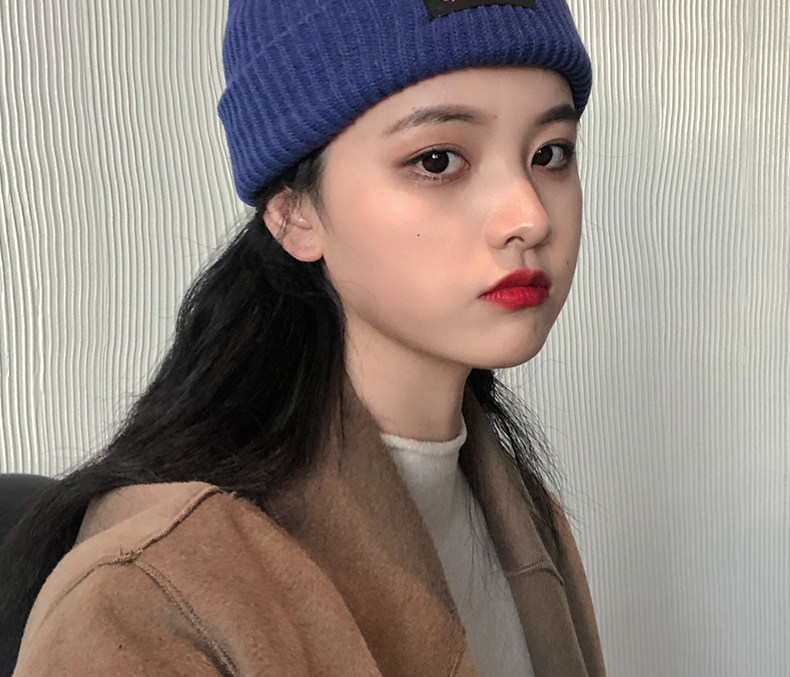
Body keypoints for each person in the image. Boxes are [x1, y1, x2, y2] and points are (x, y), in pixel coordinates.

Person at [1, 0, 606, 674]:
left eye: (550, 153)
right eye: (438, 160)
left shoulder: (525, 513)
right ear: (293, 213)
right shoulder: (150, 596)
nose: (528, 215)